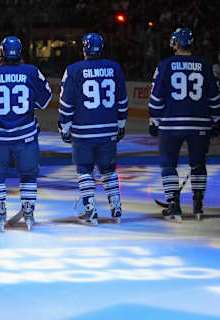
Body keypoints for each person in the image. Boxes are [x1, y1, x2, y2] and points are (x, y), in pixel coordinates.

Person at [148, 27, 220, 222]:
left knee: (168, 164)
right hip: (199, 124)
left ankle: (174, 206)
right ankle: (198, 207)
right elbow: (214, 97)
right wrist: (216, 119)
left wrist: (155, 120)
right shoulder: (205, 65)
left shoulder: (165, 65)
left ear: (175, 43)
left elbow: (156, 98)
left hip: (170, 125)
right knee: (198, 164)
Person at [0, 36, 52, 232]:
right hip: (26, 134)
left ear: (1, 53)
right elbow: (45, 99)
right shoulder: (31, 72)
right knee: (28, 175)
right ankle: (28, 212)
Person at [58, 33, 128, 225]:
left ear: (84, 48)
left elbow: (66, 103)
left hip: (83, 131)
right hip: (108, 130)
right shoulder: (115, 68)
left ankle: (90, 210)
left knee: (84, 170)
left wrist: (65, 126)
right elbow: (122, 100)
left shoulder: (73, 70)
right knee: (108, 169)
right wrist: (121, 124)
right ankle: (116, 208)